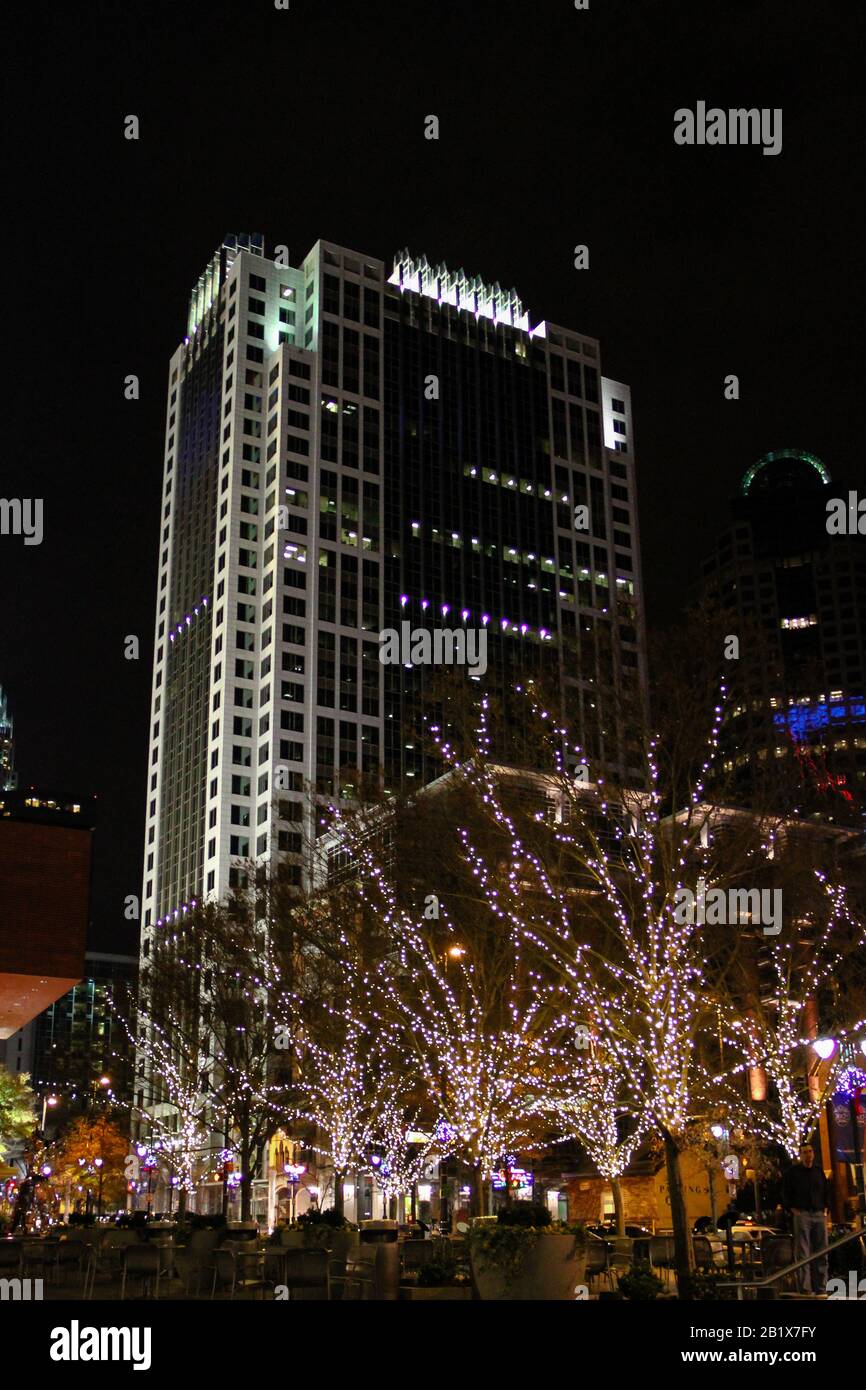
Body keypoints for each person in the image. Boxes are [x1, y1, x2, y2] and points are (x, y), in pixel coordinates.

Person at [782, 1144, 830, 1294]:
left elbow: (826, 1190)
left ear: (813, 1153)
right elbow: (785, 1192)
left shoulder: (818, 1171)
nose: (808, 1155)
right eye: (805, 1152)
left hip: (818, 1213)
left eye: (810, 1151)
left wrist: (826, 1208)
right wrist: (792, 1209)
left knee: (822, 1251)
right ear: (800, 1155)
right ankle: (806, 1288)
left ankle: (821, 1287)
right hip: (802, 1213)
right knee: (803, 1252)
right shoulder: (793, 1173)